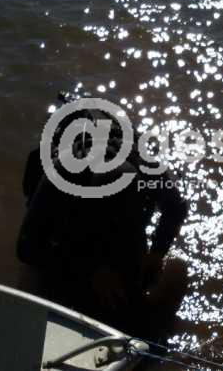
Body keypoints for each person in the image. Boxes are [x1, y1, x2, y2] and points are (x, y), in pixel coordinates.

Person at [17, 96, 188, 338]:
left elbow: (176, 208)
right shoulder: (59, 174)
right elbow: (26, 248)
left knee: (139, 276)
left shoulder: (148, 171)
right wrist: (90, 270)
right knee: (41, 275)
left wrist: (157, 253)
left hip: (113, 131)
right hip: (69, 141)